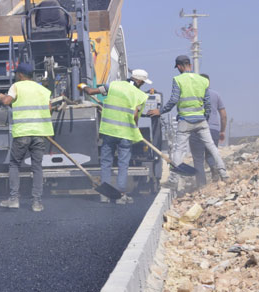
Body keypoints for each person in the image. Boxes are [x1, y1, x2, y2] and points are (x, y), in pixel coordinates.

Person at [147, 55, 229, 189]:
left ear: (179, 66)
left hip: (185, 121)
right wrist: (204, 118)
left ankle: (173, 179)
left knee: (180, 150)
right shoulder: (202, 80)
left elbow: (173, 100)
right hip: (201, 121)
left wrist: (160, 111)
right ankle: (224, 174)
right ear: (189, 64)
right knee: (212, 148)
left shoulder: (177, 79)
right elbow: (207, 103)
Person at [80, 69, 152, 204]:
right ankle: (121, 195)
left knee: (106, 163)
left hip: (109, 131)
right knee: (123, 164)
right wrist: (134, 128)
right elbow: (135, 115)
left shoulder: (112, 85)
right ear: (140, 81)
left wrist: (82, 86)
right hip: (125, 133)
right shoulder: (140, 95)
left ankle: (105, 195)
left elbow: (90, 92)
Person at [0, 63, 53, 212]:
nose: (16, 75)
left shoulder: (17, 86)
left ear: (21, 75)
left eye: (17, 73)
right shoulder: (42, 89)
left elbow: (7, 101)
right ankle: (36, 203)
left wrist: (1, 96)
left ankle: (14, 199)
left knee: (15, 164)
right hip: (40, 133)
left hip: (23, 132)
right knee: (37, 167)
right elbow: (49, 108)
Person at [189, 73, 227, 186]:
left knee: (198, 159)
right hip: (213, 129)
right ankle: (214, 168)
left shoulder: (192, 95)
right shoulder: (216, 95)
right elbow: (224, 116)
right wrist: (222, 131)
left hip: (196, 129)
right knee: (210, 154)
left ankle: (201, 186)